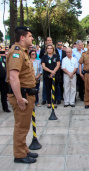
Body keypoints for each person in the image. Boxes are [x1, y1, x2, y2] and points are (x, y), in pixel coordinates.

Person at [6, 26, 38, 163]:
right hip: (22, 95)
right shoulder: (17, 53)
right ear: (22, 37)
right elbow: (13, 77)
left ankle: (24, 150)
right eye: (30, 36)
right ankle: (19, 155)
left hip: (27, 94)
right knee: (21, 126)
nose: (32, 38)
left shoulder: (24, 52)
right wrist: (19, 98)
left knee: (24, 125)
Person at [41, 44, 60, 109]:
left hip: (55, 75)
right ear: (46, 49)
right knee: (48, 89)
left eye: (51, 48)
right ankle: (49, 102)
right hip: (47, 75)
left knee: (55, 89)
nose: (49, 49)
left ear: (53, 49)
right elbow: (43, 66)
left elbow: (58, 65)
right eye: (48, 48)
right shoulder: (44, 57)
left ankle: (54, 102)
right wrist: (51, 72)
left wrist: (53, 72)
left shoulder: (56, 56)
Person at [40, 37, 53, 105]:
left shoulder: (55, 50)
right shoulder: (42, 50)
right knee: (45, 87)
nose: (49, 41)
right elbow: (41, 60)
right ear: (45, 41)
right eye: (48, 40)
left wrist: (53, 71)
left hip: (54, 73)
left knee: (55, 87)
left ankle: (55, 100)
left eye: (50, 40)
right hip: (46, 72)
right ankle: (45, 99)